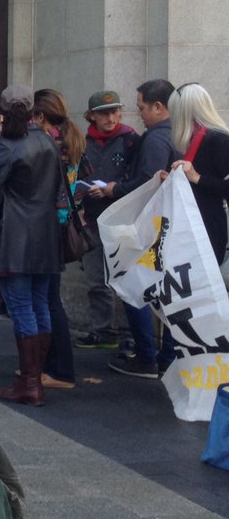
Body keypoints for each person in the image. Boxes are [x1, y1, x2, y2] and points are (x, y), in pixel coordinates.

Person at [0, 85, 63, 407]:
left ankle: (30, 384)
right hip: (45, 237)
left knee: (24, 308)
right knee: (40, 305)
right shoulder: (47, 140)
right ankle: (33, 379)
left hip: (13, 239)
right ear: (31, 110)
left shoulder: (5, 145)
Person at [97, 79, 179, 379]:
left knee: (134, 288)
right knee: (165, 294)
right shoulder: (175, 134)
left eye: (142, 107)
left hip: (150, 229)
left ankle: (148, 356)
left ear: (159, 107)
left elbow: (147, 184)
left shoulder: (156, 139)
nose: (139, 113)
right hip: (166, 227)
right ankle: (166, 356)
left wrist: (115, 189)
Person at [73, 91, 139, 350]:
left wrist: (113, 188)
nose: (110, 117)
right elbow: (73, 175)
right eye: (104, 113)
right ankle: (104, 331)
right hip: (91, 218)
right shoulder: (83, 142)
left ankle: (131, 334)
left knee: (127, 278)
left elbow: (139, 178)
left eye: (114, 111)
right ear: (92, 116)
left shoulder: (132, 140)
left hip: (123, 220)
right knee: (95, 279)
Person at [32, 89, 85, 390]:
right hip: (61, 226)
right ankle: (47, 367)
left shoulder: (48, 143)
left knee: (49, 300)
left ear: (39, 115)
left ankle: (61, 371)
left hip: (46, 227)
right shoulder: (71, 139)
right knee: (49, 298)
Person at [167, 83, 229, 264]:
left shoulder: (219, 140)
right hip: (193, 225)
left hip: (209, 227)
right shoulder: (195, 139)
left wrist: (197, 178)